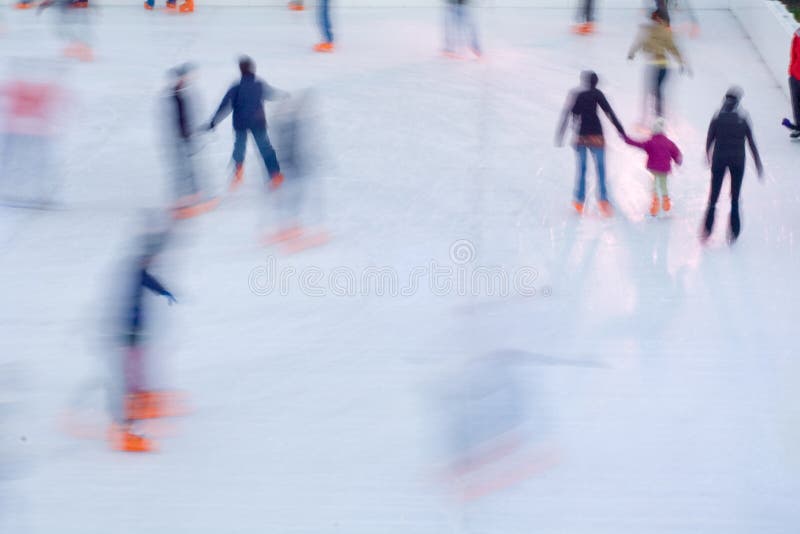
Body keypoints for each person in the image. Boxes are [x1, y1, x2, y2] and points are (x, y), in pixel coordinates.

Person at [109, 228, 177, 452]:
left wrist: (164, 292)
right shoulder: (137, 271)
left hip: (135, 334)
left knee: (137, 369)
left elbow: (149, 280)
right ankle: (128, 424)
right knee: (130, 374)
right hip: (128, 333)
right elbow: (145, 281)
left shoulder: (139, 270)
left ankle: (138, 398)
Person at [207, 56, 289, 191]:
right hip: (258, 122)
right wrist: (283, 96)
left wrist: (213, 122)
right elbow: (271, 94)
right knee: (265, 148)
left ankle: (238, 172)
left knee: (239, 147)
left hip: (241, 123)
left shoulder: (236, 87)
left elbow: (224, 105)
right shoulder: (259, 84)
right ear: (252, 69)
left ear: (241, 70)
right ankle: (275, 175)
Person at [556, 70, 626, 217]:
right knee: (600, 168)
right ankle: (603, 200)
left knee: (582, 169)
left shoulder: (577, 95)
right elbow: (609, 112)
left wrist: (561, 134)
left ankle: (579, 200)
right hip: (596, 136)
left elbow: (568, 113)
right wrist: (621, 130)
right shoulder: (597, 94)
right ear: (595, 82)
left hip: (581, 137)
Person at [701, 87, 763, 244]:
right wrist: (757, 162)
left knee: (713, 197)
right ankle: (734, 232)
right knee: (735, 197)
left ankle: (707, 230)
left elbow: (710, 138)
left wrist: (707, 154)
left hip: (719, 160)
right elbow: (751, 142)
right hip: (737, 161)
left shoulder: (718, 117)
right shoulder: (742, 119)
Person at [163, 63, 218, 218]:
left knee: (192, 166)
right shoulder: (174, 96)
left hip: (187, 137)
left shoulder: (185, 94)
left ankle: (195, 194)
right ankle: (183, 197)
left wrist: (197, 131)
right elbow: (172, 118)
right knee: (182, 168)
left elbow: (193, 114)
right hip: (179, 138)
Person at [628, 10, 688, 118]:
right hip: (664, 66)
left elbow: (638, 42)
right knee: (657, 90)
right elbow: (672, 47)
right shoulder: (664, 31)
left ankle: (652, 116)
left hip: (653, 65)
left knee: (651, 90)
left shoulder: (647, 29)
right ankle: (658, 114)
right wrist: (681, 61)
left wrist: (631, 53)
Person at [623, 117, 682, 217]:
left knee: (654, 185)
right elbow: (676, 152)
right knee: (663, 185)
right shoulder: (669, 142)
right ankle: (666, 203)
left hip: (653, 169)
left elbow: (638, 143)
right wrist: (677, 161)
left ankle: (655, 205)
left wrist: (627, 139)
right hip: (664, 169)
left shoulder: (650, 142)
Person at [788, 27, 800, 139]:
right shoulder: (797, 37)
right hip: (795, 76)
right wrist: (791, 72)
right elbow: (793, 56)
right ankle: (798, 127)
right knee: (796, 103)